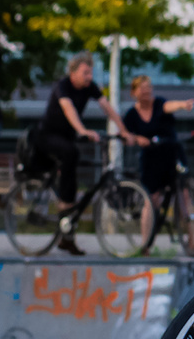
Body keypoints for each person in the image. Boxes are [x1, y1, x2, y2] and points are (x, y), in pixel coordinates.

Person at [36, 52, 134, 255]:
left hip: (67, 137)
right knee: (71, 154)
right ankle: (66, 205)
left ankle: (67, 234)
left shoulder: (90, 87)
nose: (89, 77)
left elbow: (108, 107)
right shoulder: (62, 86)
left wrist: (123, 130)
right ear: (73, 72)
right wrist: (82, 130)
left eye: (91, 73)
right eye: (85, 73)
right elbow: (68, 108)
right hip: (47, 135)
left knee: (73, 158)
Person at [122, 75, 194, 203]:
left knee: (183, 188)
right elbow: (126, 135)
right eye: (142, 88)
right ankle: (151, 221)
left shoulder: (159, 103)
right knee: (152, 197)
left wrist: (182, 105)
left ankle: (189, 220)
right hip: (151, 157)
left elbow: (169, 106)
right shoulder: (131, 115)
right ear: (134, 92)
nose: (146, 90)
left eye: (148, 87)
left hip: (171, 152)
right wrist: (137, 138)